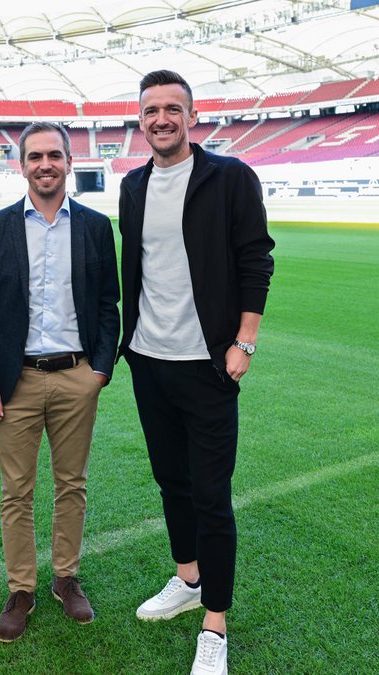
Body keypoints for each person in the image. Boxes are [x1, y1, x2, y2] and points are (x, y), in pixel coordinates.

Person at [118, 70, 275, 675]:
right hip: (149, 363)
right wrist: (128, 346)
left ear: (190, 116)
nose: (161, 119)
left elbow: (255, 258)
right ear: (140, 119)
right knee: (171, 482)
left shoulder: (229, 177)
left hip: (210, 365)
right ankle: (187, 580)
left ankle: (215, 622)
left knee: (211, 494)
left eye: (172, 109)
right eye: (151, 110)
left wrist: (245, 343)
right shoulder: (132, 186)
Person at [0, 122, 120, 642]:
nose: (45, 164)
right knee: (17, 491)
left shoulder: (97, 226)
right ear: (22, 164)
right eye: (35, 156)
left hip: (78, 375)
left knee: (71, 484)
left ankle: (66, 577)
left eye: (54, 155)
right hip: (16, 381)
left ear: (69, 161)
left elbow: (108, 304)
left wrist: (99, 370)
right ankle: (21, 588)